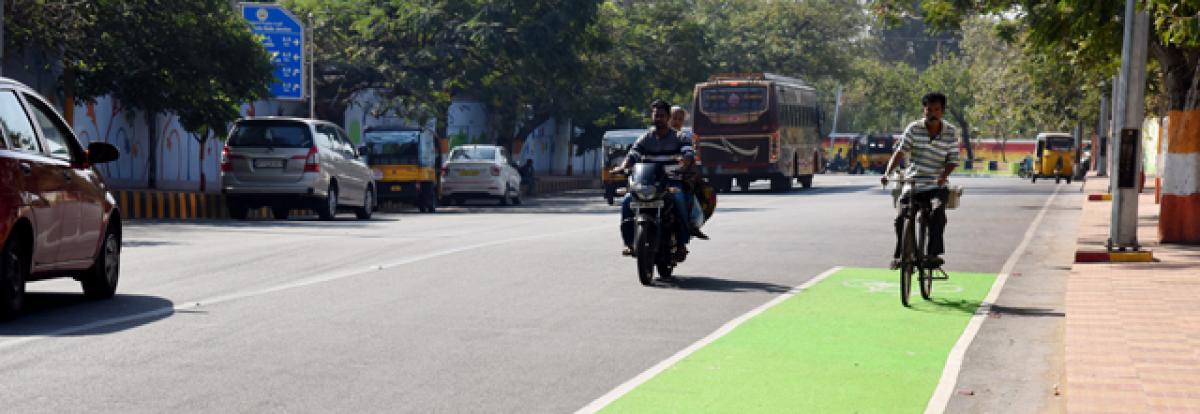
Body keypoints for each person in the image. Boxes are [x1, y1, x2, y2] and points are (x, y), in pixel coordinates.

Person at [882, 92, 960, 269]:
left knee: (937, 212)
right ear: (924, 110)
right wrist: (887, 173)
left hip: (937, 184)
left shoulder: (950, 132)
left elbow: (953, 160)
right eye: (929, 109)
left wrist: (942, 177)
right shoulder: (913, 129)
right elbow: (900, 152)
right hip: (913, 183)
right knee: (901, 217)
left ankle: (932, 255)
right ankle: (902, 255)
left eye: (937, 110)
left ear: (942, 111)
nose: (932, 113)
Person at [613, 99, 695, 260]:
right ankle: (629, 243)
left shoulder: (679, 137)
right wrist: (623, 167)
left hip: (672, 181)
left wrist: (685, 162)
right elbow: (633, 155)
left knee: (679, 200)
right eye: (656, 115)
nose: (658, 118)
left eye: (662, 115)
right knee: (627, 201)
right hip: (648, 183)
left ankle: (681, 244)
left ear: (668, 117)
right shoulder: (645, 138)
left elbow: (688, 153)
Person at [669, 105, 709, 240]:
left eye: (679, 119)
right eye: (673, 118)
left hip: (680, 178)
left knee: (687, 199)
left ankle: (687, 231)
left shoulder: (685, 137)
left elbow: (691, 153)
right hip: (656, 178)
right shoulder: (654, 135)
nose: (676, 121)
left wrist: (685, 161)